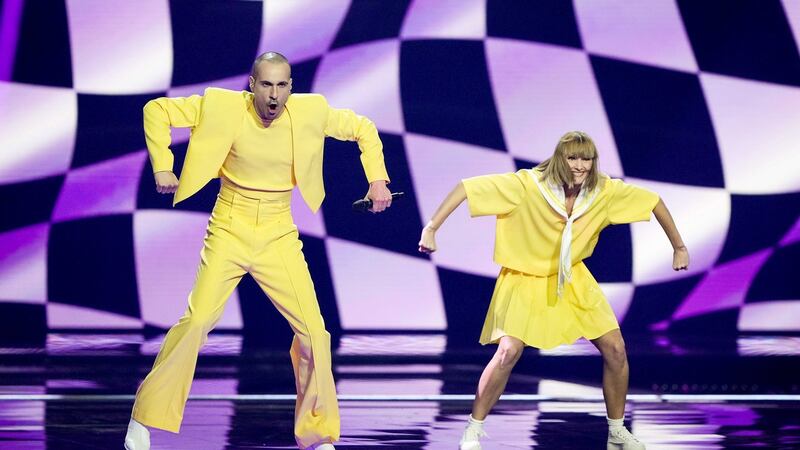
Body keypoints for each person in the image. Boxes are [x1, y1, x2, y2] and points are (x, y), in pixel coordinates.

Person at [124, 51, 392, 450]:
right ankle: (143, 419)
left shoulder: (310, 112)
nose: (274, 95)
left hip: (278, 231)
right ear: (252, 84)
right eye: (266, 84)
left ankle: (318, 435)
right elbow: (157, 109)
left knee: (314, 331)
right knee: (197, 322)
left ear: (291, 88)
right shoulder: (220, 105)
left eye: (282, 85)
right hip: (230, 225)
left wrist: (378, 180)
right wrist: (163, 165)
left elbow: (364, 128)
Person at [418, 131, 689, 450]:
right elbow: (467, 187)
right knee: (508, 351)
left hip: (573, 278)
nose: (580, 165)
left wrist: (679, 246)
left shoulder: (603, 191)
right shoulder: (526, 186)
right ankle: (473, 430)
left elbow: (653, 201)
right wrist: (432, 227)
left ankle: (617, 432)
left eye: (586, 158)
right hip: (524, 278)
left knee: (616, 348)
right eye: (573, 158)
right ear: (560, 158)